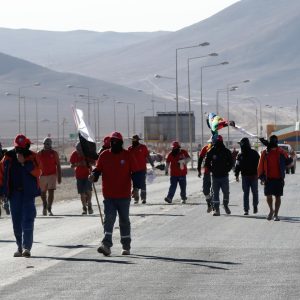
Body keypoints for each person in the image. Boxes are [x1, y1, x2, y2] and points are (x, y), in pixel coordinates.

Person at [89, 131, 140, 256]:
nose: (114, 143)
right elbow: (98, 170)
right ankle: (106, 245)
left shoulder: (127, 155)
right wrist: (93, 176)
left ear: (121, 143)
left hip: (124, 195)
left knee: (124, 221)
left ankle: (126, 246)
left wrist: (136, 188)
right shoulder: (104, 155)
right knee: (109, 220)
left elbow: (135, 173)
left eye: (116, 141)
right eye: (112, 141)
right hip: (109, 195)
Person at [0, 134, 41, 257]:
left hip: (28, 194)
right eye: (18, 148)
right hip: (13, 195)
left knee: (27, 220)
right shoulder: (7, 158)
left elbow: (39, 171)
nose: (20, 150)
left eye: (22, 148)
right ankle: (19, 247)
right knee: (16, 222)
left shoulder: (33, 157)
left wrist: (24, 164)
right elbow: (1, 175)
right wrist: (2, 192)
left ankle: (26, 247)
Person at [258, 135, 291, 221]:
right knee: (268, 196)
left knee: (278, 196)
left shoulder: (280, 152)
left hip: (279, 178)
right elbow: (260, 165)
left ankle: (276, 214)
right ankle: (271, 210)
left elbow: (288, 161)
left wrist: (291, 157)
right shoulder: (265, 153)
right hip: (268, 179)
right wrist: (261, 177)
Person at [204, 135, 233, 216]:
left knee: (226, 192)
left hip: (224, 176)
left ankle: (225, 205)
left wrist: (227, 169)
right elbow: (207, 162)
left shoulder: (226, 151)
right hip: (215, 176)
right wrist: (212, 170)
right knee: (215, 193)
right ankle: (217, 210)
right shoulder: (211, 151)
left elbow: (231, 162)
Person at [235, 137, 260, 215]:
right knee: (246, 193)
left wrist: (260, 174)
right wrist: (237, 174)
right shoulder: (240, 155)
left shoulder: (254, 153)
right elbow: (237, 166)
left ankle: (255, 206)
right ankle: (246, 209)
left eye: (241, 144)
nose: (240, 145)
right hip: (245, 177)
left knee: (254, 192)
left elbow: (259, 165)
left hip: (254, 176)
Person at [37, 137, 62, 216]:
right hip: (42, 175)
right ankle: (44, 203)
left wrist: (59, 177)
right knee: (42, 192)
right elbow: (36, 164)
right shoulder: (39, 153)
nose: (46, 145)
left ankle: (49, 208)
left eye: (48, 144)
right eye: (45, 144)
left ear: (50, 144)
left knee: (51, 192)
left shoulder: (54, 153)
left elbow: (58, 165)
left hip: (52, 175)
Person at [128, 134, 154, 204]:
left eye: (135, 140)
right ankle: (136, 199)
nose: (133, 141)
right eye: (132, 140)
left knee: (142, 184)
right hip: (133, 170)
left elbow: (148, 156)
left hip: (142, 169)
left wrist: (152, 164)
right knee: (135, 185)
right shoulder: (130, 149)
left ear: (138, 140)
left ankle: (143, 198)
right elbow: (127, 159)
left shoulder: (143, 147)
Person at [70, 142, 95, 215]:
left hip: (88, 175)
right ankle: (84, 208)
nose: (79, 152)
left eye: (80, 150)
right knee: (82, 193)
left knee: (88, 190)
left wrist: (87, 163)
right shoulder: (74, 154)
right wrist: (77, 164)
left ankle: (89, 203)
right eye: (78, 150)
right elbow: (71, 165)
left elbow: (94, 163)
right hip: (79, 176)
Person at [197, 141, 213, 212]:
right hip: (207, 173)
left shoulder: (220, 149)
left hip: (216, 173)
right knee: (205, 190)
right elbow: (200, 159)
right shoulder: (206, 148)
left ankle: (214, 206)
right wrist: (199, 170)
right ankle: (209, 203)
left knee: (214, 190)